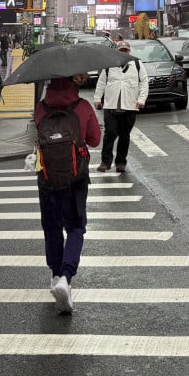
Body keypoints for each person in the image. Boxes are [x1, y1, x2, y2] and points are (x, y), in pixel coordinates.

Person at [34, 73, 101, 314]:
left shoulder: (41, 108)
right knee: (75, 227)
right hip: (76, 179)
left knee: (51, 228)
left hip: (48, 179)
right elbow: (95, 140)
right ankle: (66, 276)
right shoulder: (82, 107)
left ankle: (55, 275)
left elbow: (35, 139)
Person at [94, 40, 148, 174]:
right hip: (111, 105)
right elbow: (101, 82)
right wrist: (97, 98)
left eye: (126, 50)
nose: (123, 52)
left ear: (129, 51)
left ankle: (120, 163)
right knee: (110, 133)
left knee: (124, 136)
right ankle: (105, 162)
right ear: (117, 51)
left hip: (129, 106)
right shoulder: (109, 65)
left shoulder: (137, 64)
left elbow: (144, 83)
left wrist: (141, 99)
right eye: (121, 50)